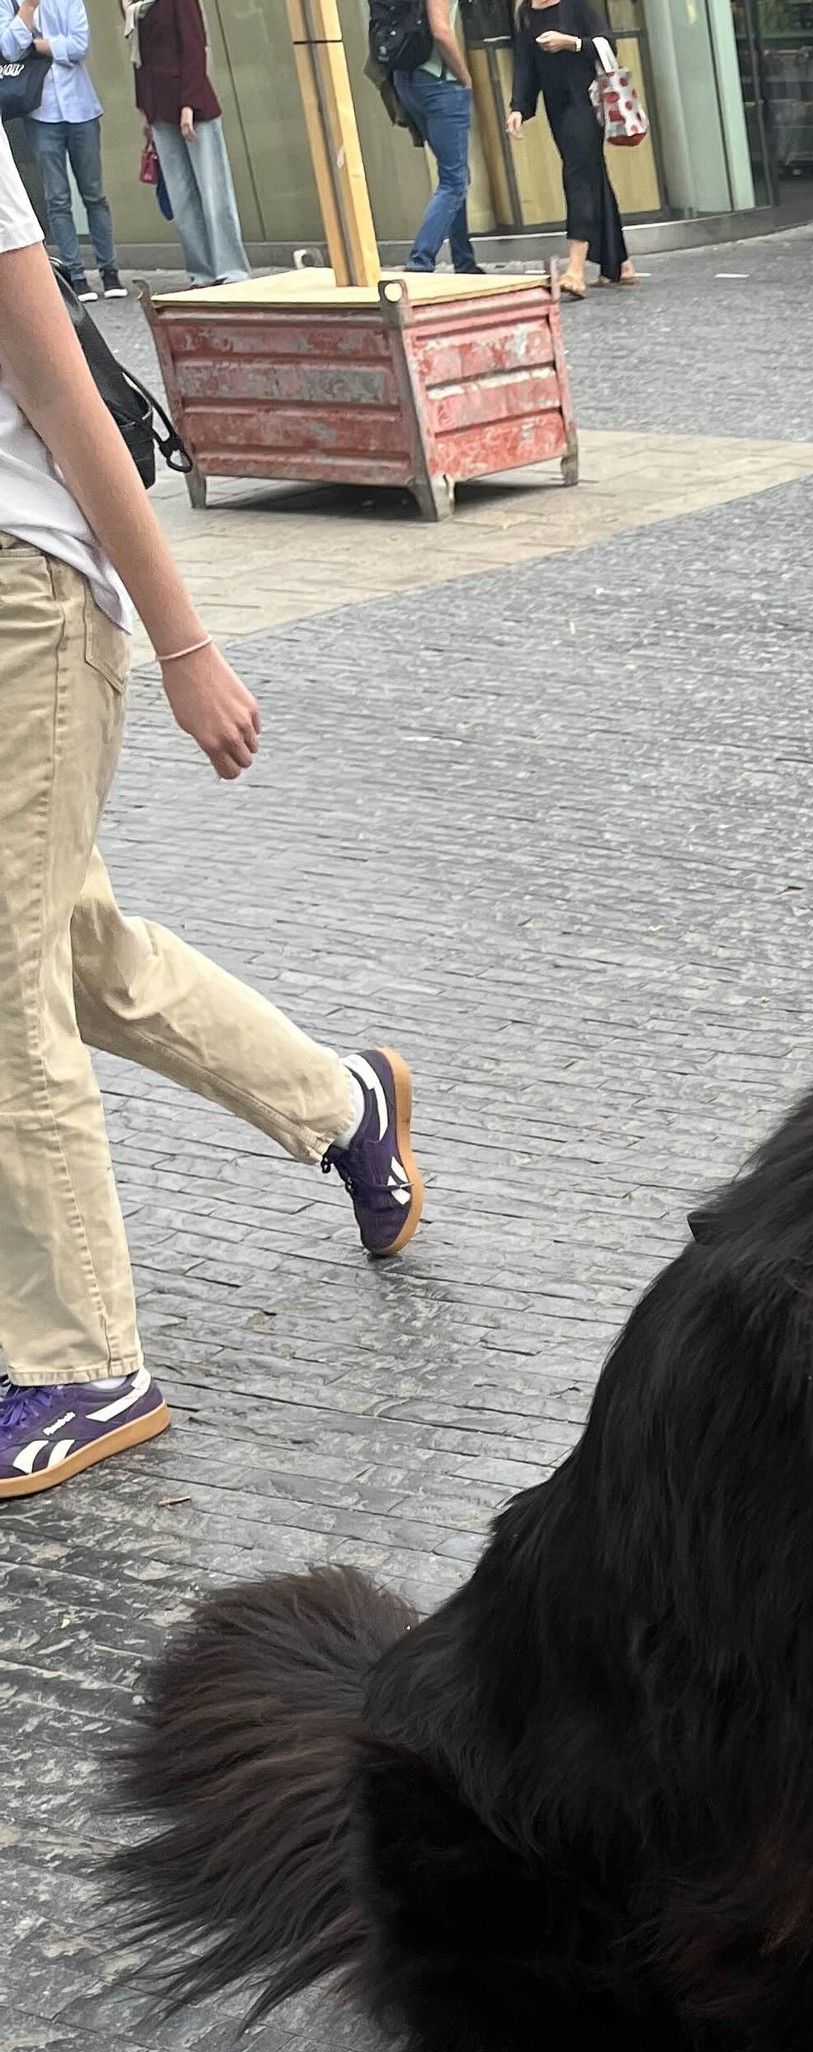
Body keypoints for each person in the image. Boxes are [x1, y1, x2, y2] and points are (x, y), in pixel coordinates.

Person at [0, 145, 422, 1500]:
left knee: (7, 988)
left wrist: (185, 646)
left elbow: (59, 389)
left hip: (21, 604)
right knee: (75, 954)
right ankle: (346, 1103)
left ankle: (82, 1363)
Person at [508, 0, 634, 294]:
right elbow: (525, 63)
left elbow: (607, 45)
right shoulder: (526, 12)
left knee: (577, 176)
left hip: (586, 103)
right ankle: (620, 264)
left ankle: (575, 269)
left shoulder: (575, 6)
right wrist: (518, 107)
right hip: (558, 107)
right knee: (593, 176)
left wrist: (572, 43)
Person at [1, 0, 119, 298]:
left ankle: (109, 271)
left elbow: (80, 45)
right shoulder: (9, 3)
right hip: (41, 111)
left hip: (81, 107)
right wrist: (27, 8)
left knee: (94, 194)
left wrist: (36, 45)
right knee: (57, 199)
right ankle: (75, 275)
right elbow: (9, 49)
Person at [129, 0, 251, 286]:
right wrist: (143, 109)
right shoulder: (135, 6)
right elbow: (139, 59)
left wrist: (189, 103)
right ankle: (202, 271)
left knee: (213, 190)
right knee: (182, 196)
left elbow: (194, 47)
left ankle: (231, 269)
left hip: (191, 103)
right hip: (158, 106)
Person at [389, 0, 482, 275]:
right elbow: (441, 31)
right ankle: (420, 260)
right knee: (454, 181)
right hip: (438, 83)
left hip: (406, 78)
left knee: (454, 176)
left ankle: (464, 261)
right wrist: (465, 77)